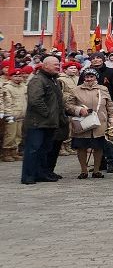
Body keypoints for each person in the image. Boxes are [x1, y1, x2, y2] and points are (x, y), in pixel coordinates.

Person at [22, 55, 75, 184]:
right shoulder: (38, 80)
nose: (58, 67)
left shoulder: (54, 80)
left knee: (44, 150)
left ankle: (41, 174)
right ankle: (28, 176)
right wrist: (48, 114)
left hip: (49, 123)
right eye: (55, 64)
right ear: (45, 66)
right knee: (33, 149)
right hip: (37, 123)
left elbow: (57, 102)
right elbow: (35, 100)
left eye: (58, 64)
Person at [67, 68, 113, 179]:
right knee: (81, 147)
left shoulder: (103, 89)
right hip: (82, 123)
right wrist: (78, 110)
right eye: (87, 77)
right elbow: (68, 106)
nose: (89, 79)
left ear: (96, 78)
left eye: (91, 76)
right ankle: (83, 170)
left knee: (98, 147)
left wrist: (112, 123)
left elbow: (110, 106)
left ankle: (97, 170)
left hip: (100, 123)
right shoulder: (76, 90)